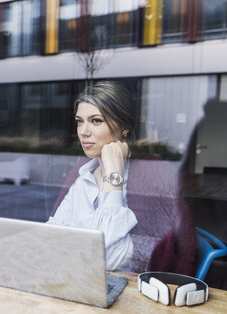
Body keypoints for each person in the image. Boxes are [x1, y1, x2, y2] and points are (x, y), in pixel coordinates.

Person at [48, 81, 197, 275]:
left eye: (96, 121)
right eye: (79, 121)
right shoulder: (82, 172)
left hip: (129, 292)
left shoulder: (151, 174)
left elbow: (106, 259)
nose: (83, 131)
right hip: (77, 277)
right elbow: (50, 236)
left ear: (124, 127)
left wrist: (113, 177)